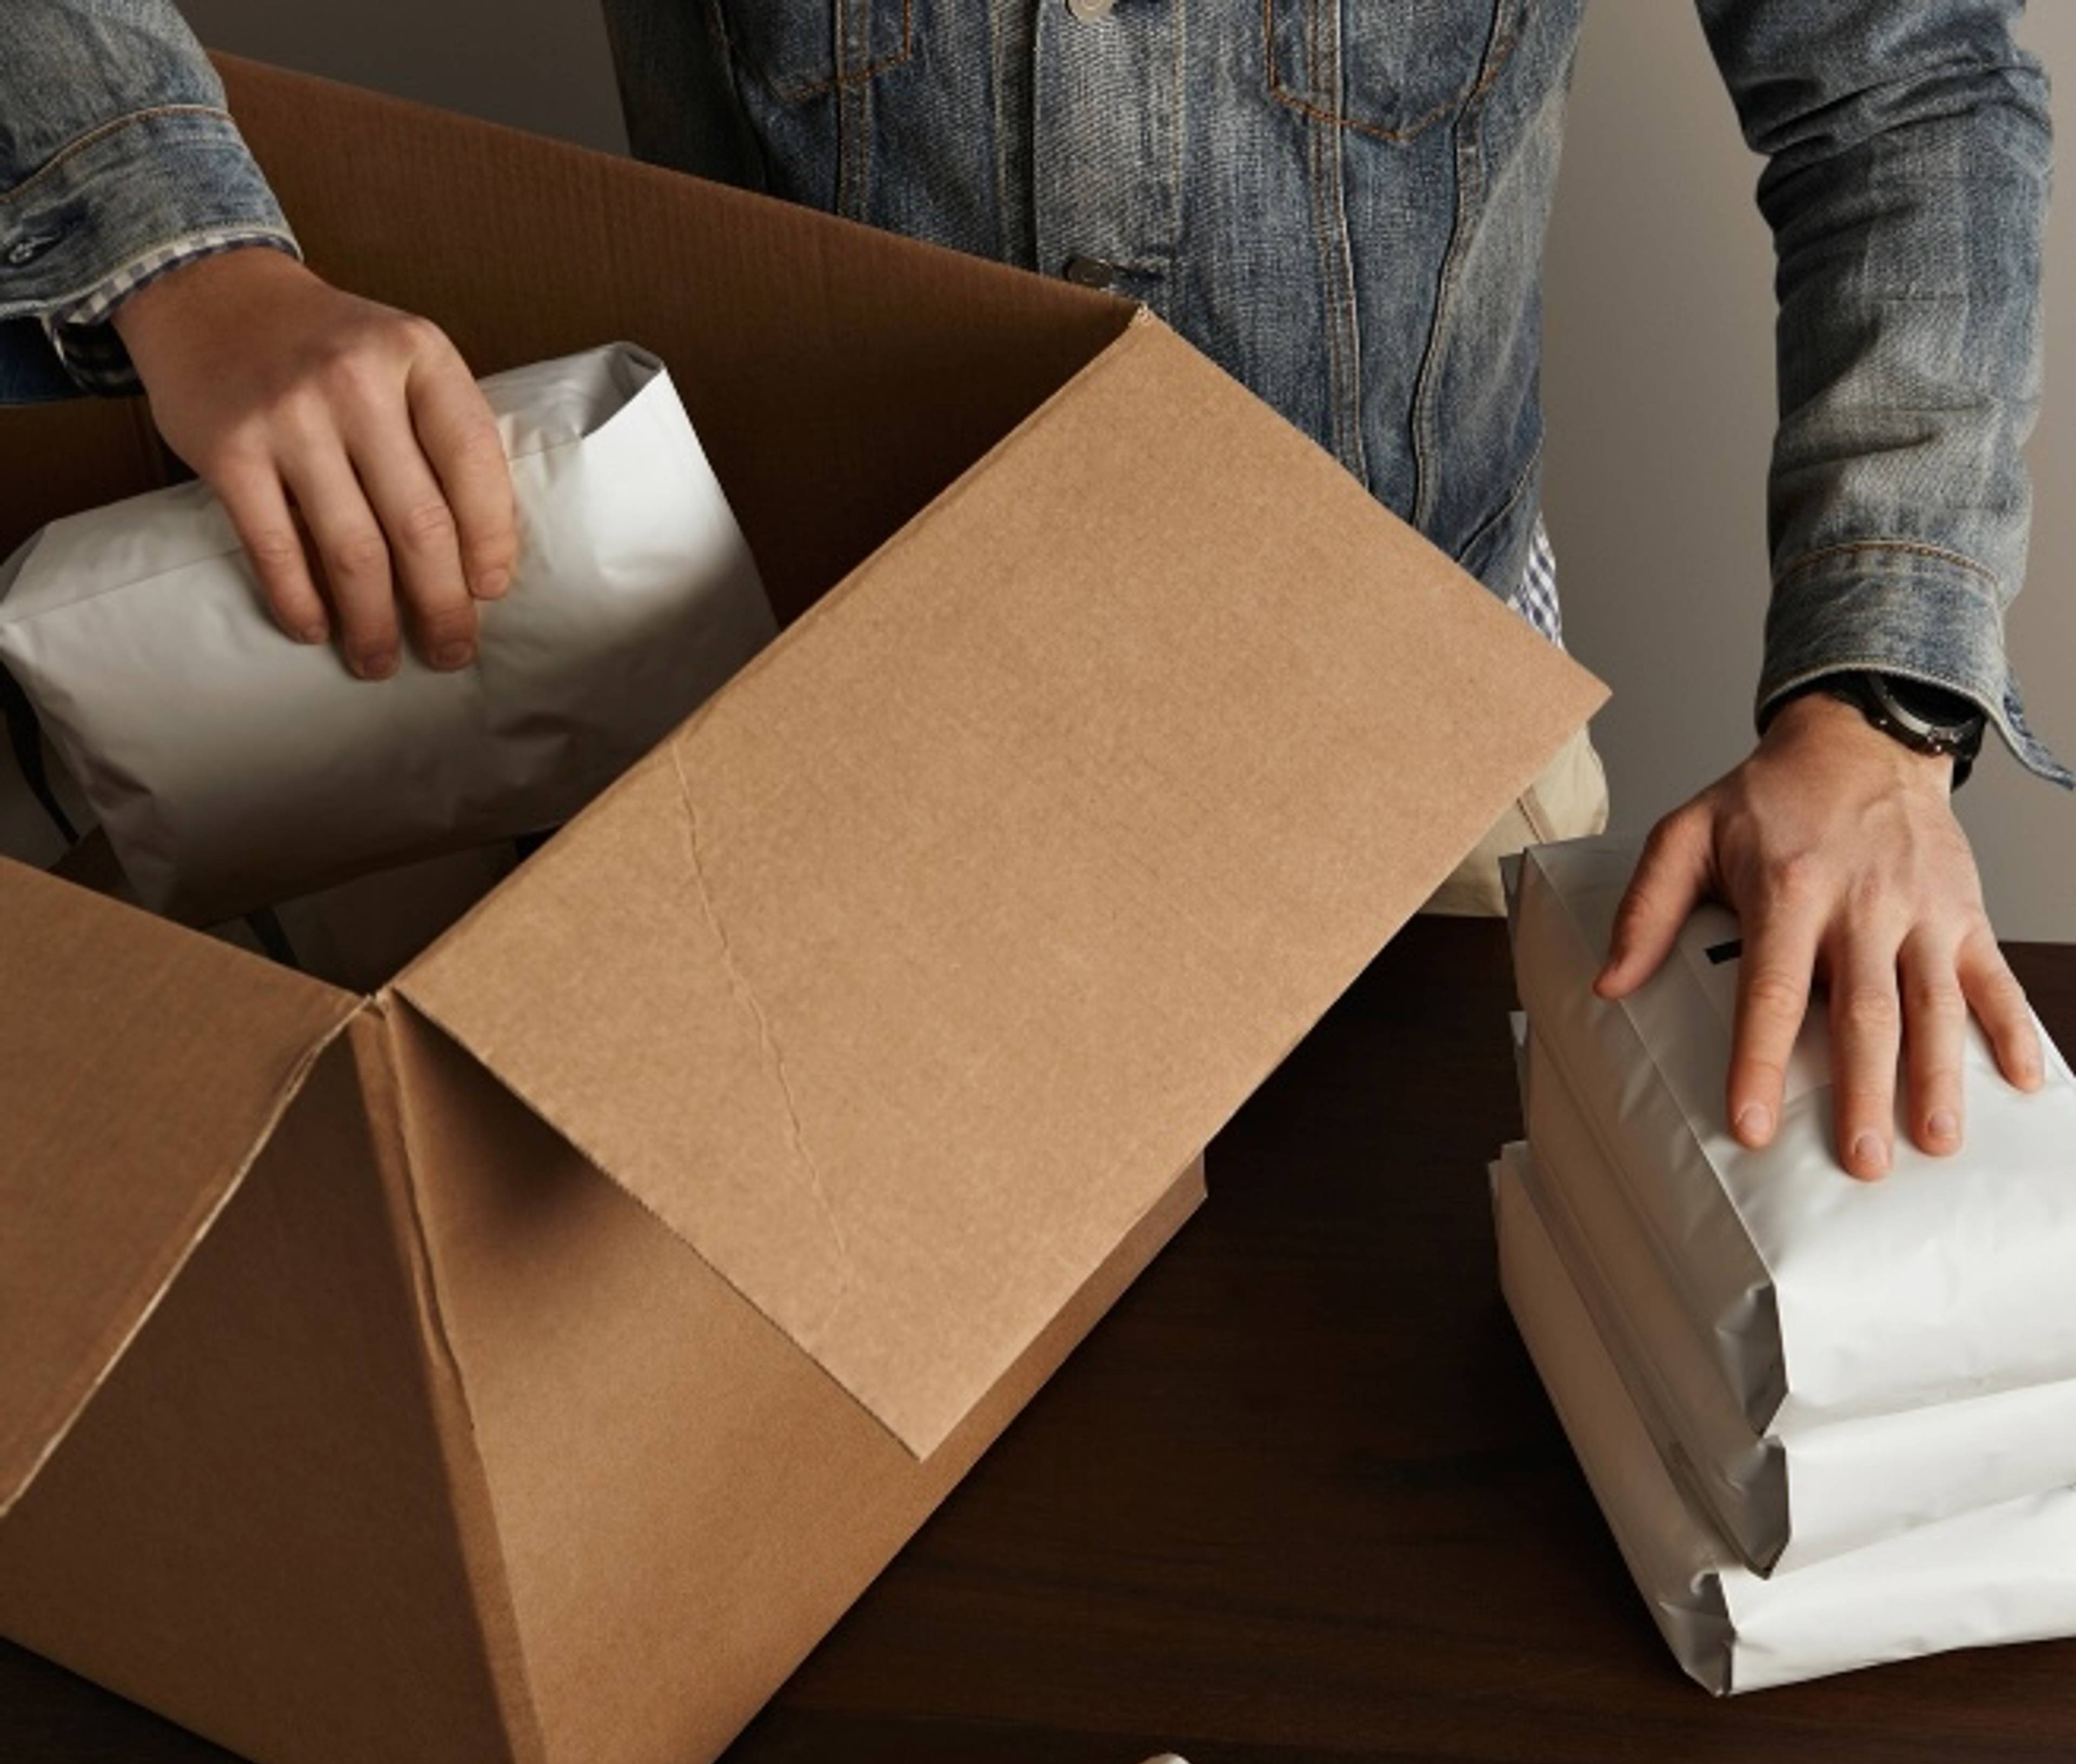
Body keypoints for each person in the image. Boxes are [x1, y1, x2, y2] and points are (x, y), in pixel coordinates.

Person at [0, 1, 2064, 1180]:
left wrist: (1876, 710)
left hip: (1412, 814)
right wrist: (187, 256)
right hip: (771, 815)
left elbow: (1910, 81)